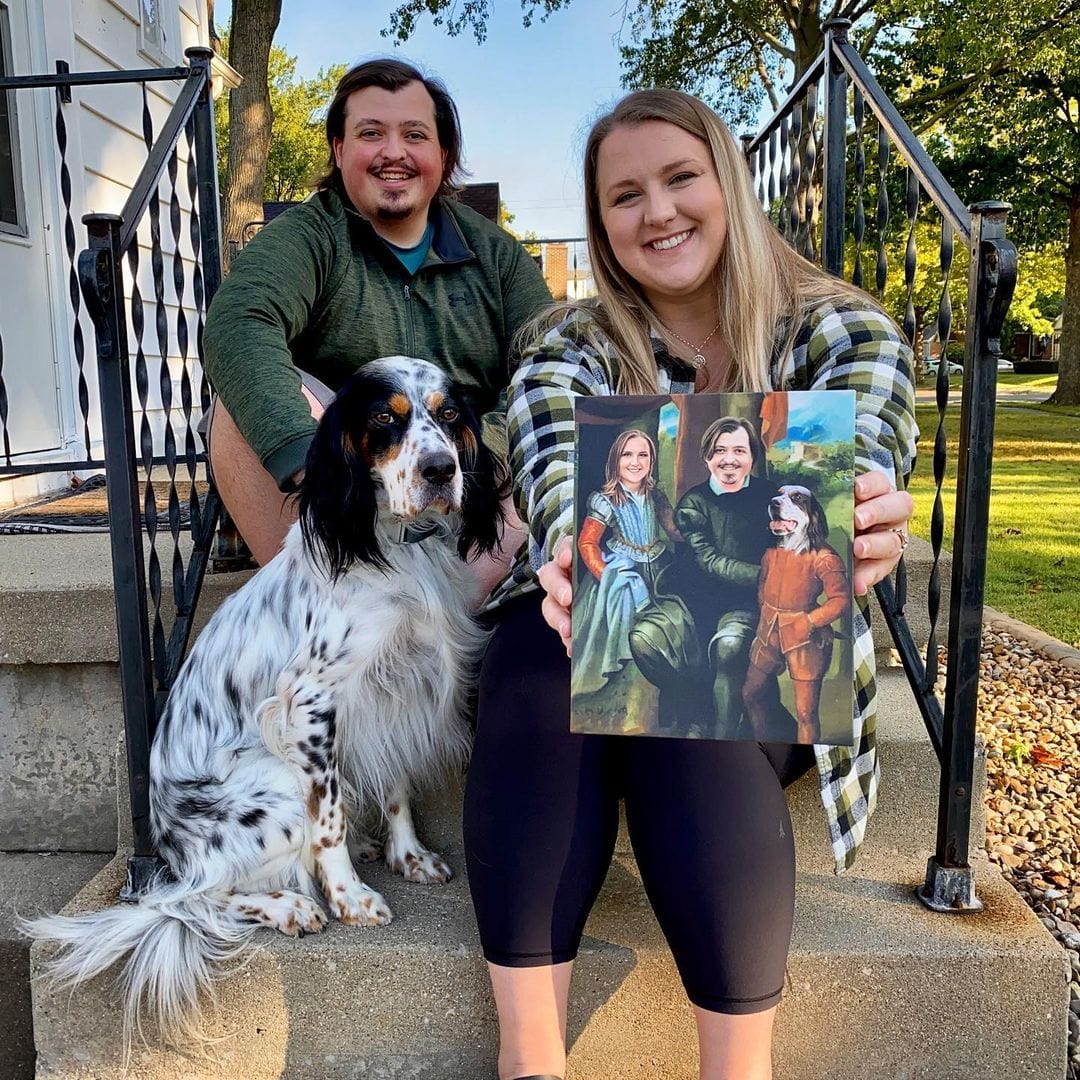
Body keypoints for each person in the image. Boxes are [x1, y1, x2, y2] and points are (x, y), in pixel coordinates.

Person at [464, 88, 917, 1080]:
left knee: (696, 675)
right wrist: (573, 545)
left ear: (729, 184)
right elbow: (550, 473)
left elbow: (870, 446)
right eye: (625, 196)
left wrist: (869, 512)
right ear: (601, 224)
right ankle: (530, 1065)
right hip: (588, 633)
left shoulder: (841, 331)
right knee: (545, 653)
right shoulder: (565, 346)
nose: (657, 211)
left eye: (679, 178)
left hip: (773, 655)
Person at [202, 58, 551, 598]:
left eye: (415, 134)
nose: (394, 152)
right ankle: (323, 601)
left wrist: (480, 449)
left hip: (467, 483)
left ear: (444, 155)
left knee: (548, 442)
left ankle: (461, 607)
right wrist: (310, 461)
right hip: (341, 498)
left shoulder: (498, 256)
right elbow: (239, 320)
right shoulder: (310, 237)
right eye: (371, 134)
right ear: (340, 150)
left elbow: (545, 365)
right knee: (233, 409)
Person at [674, 416, 778, 739]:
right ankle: (703, 725)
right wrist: (766, 575)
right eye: (720, 450)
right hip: (700, 599)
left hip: (751, 602)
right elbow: (709, 560)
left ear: (751, 458)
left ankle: (728, 734)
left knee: (731, 650)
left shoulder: (772, 497)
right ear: (707, 457)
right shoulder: (693, 503)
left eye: (739, 450)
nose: (729, 459)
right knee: (694, 654)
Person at [572, 427, 681, 707]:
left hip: (659, 564)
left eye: (643, 455)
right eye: (627, 455)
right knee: (624, 623)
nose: (635, 462)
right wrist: (608, 576)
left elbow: (674, 530)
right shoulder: (605, 499)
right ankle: (623, 685)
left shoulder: (656, 495)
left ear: (651, 460)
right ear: (614, 461)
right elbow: (587, 543)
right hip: (623, 568)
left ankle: (662, 681)